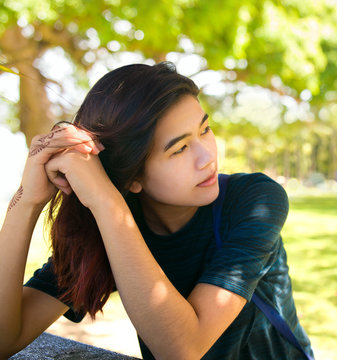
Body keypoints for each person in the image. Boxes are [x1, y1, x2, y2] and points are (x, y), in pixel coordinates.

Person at [0, 62, 314, 359]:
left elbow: (183, 351)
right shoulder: (111, 228)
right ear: (133, 177)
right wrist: (27, 199)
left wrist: (107, 201)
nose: (207, 157)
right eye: (179, 149)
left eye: (205, 130)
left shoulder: (254, 201)